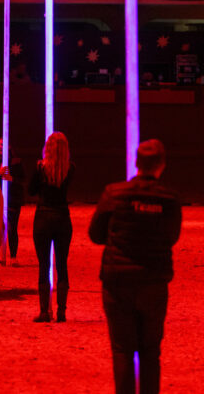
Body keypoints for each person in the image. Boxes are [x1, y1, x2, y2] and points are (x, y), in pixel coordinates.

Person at [88, 139, 182, 394]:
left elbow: (95, 234)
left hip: (118, 282)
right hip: (153, 281)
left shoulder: (114, 193)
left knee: (122, 350)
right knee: (151, 351)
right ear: (161, 165)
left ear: (136, 162)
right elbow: (172, 237)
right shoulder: (170, 199)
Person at [28, 132, 74, 323]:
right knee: (62, 265)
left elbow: (31, 191)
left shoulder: (40, 168)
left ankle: (44, 311)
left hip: (43, 216)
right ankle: (61, 311)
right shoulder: (70, 169)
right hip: (63, 217)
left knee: (44, 264)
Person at [0, 137, 26, 265]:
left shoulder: (16, 162)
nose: (0, 147)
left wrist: (11, 178)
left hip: (13, 200)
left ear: (9, 146)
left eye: (3, 144)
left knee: (12, 228)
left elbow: (23, 180)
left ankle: (13, 257)